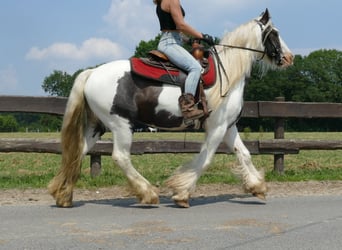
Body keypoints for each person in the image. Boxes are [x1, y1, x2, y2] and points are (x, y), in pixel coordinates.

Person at [153, 0, 214, 120]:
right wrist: (202, 36)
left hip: (171, 41)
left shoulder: (161, 2)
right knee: (195, 68)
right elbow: (181, 25)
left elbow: (173, 29)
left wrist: (189, 40)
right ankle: (188, 109)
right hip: (170, 44)